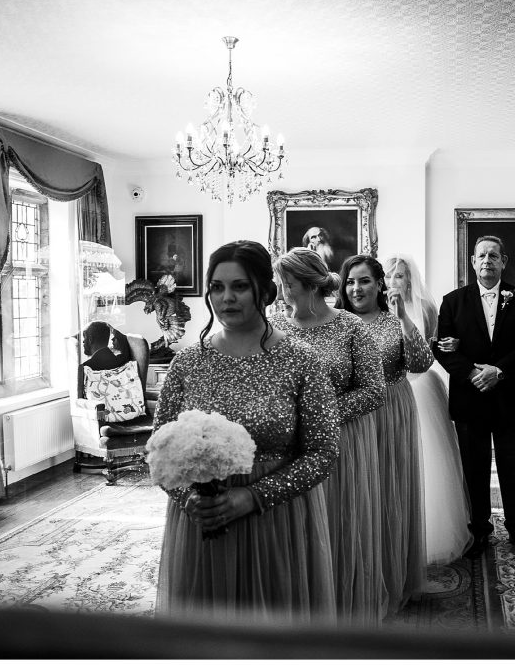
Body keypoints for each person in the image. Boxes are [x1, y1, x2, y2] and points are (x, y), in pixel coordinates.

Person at [153, 240, 340, 623]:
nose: (226, 298)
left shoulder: (301, 360)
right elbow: (159, 447)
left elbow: (323, 453)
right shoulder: (189, 361)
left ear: (266, 291)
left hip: (276, 520)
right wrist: (186, 495)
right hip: (202, 519)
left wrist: (254, 496)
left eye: (239, 286)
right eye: (217, 287)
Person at [270, 247, 387, 626]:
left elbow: (374, 390)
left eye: (286, 285)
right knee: (296, 527)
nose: (280, 293)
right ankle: (299, 602)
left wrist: (322, 413)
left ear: (308, 286)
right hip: (289, 445)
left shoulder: (350, 327)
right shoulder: (276, 328)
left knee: (337, 524)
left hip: (342, 443)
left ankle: (340, 605)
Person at [433, 235, 515, 559]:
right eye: (482, 255)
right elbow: (444, 348)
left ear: (504, 262)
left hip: (512, 397)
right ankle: (479, 531)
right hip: (471, 398)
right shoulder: (452, 301)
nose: (487, 261)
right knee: (474, 467)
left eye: (494, 255)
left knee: (512, 465)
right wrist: (472, 374)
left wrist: (498, 371)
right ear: (472, 260)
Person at [339, 255, 433, 613]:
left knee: (388, 492)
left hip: (391, 413)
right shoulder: (337, 324)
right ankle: (356, 575)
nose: (356, 288)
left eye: (364, 281)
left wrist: (403, 318)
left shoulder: (393, 322)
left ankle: (392, 575)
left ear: (379, 285)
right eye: (350, 281)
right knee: (356, 496)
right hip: (352, 416)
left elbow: (421, 363)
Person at [383, 254, 472, 565]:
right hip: (391, 387)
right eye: (389, 275)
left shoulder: (426, 308)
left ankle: (431, 533)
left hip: (421, 385)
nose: (394, 281)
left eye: (400, 276)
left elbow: (433, 349)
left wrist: (449, 347)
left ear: (410, 280)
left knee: (428, 458)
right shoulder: (378, 310)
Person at [77, 321, 125, 399]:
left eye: (84, 337)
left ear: (90, 339)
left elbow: (82, 401)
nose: (83, 341)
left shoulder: (86, 367)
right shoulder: (121, 361)